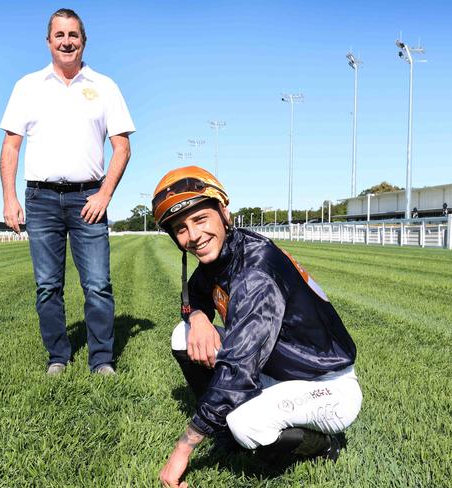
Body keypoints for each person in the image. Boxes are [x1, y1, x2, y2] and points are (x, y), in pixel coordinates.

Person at [153, 167, 362, 487]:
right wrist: (198, 318)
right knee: (183, 336)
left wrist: (184, 447)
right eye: (181, 228)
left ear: (223, 212)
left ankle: (324, 445)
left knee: (245, 424)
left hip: (325, 384)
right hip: (278, 369)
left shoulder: (255, 270)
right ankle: (225, 434)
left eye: (200, 219)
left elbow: (238, 368)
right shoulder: (222, 254)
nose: (193, 236)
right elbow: (194, 295)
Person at [0, 8, 135, 375]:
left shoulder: (105, 86)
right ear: (48, 42)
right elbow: (11, 146)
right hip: (40, 200)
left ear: (84, 41)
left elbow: (122, 147)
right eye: (59, 35)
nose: (67, 41)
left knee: (97, 285)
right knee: (47, 286)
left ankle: (102, 360)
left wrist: (104, 195)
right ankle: (58, 357)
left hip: (88, 198)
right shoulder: (27, 86)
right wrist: (10, 199)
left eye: (73, 35)